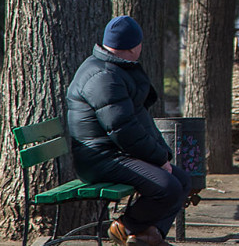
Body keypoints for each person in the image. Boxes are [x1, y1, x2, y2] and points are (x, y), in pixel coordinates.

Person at [66, 15, 187, 246]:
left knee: (181, 180)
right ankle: (125, 227)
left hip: (115, 153)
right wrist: (159, 159)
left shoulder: (114, 68)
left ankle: (148, 236)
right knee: (168, 186)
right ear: (135, 46)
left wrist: (162, 155)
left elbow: (136, 121)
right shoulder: (103, 76)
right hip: (99, 159)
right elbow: (123, 129)